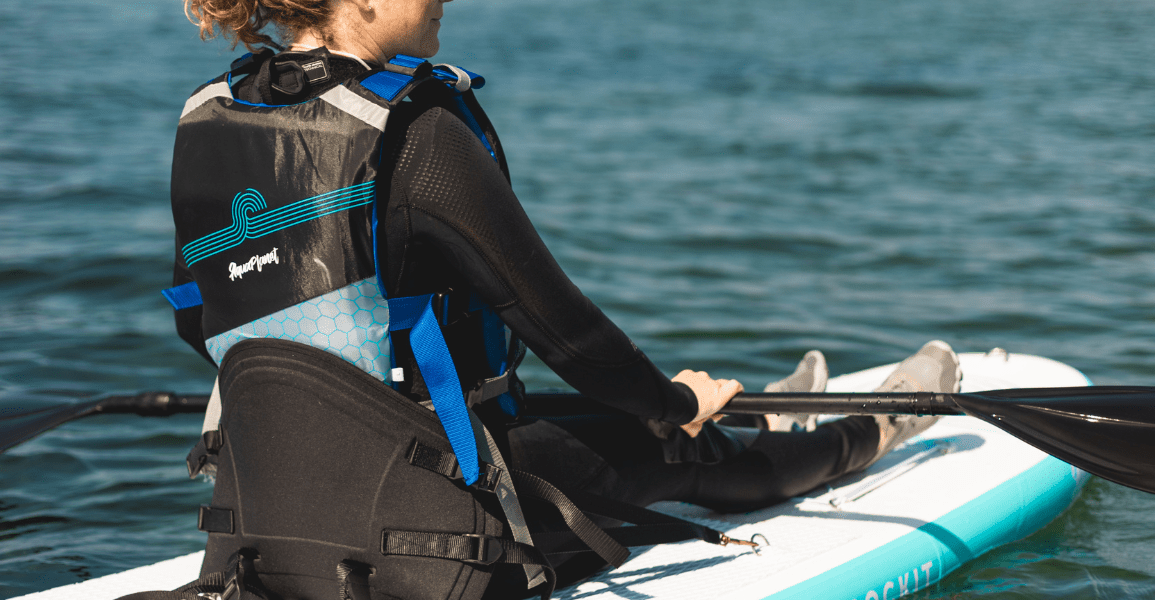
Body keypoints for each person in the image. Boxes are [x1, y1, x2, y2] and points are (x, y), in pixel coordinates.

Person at [153, 0, 962, 598]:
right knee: (665, 441)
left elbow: (202, 321)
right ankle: (871, 428)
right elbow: (565, 332)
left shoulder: (209, 119)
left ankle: (769, 413)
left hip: (264, 504)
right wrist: (673, 400)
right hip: (421, 523)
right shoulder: (415, 131)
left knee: (585, 419)